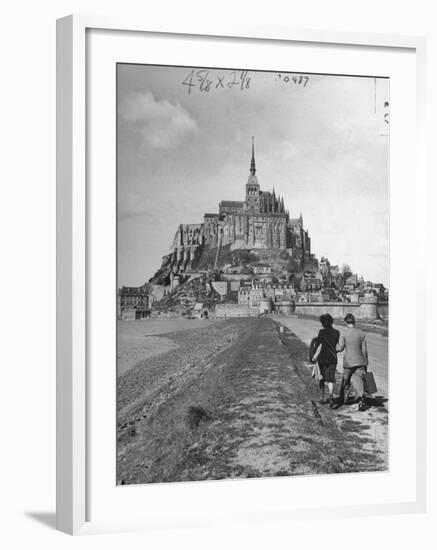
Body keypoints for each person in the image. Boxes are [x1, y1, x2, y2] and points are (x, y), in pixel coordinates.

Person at [336, 313, 369, 411]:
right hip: (359, 361)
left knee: (346, 380)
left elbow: (340, 348)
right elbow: (364, 350)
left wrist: (332, 347)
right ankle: (361, 400)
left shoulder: (344, 334)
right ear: (354, 321)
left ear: (346, 322)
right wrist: (366, 363)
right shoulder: (361, 333)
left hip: (348, 362)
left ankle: (344, 398)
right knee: (359, 381)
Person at [316, 313, 340, 408]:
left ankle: (322, 397)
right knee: (331, 378)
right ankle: (330, 395)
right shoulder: (336, 332)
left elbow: (318, 345)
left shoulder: (321, 332)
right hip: (333, 357)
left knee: (322, 377)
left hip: (323, 358)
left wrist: (314, 356)